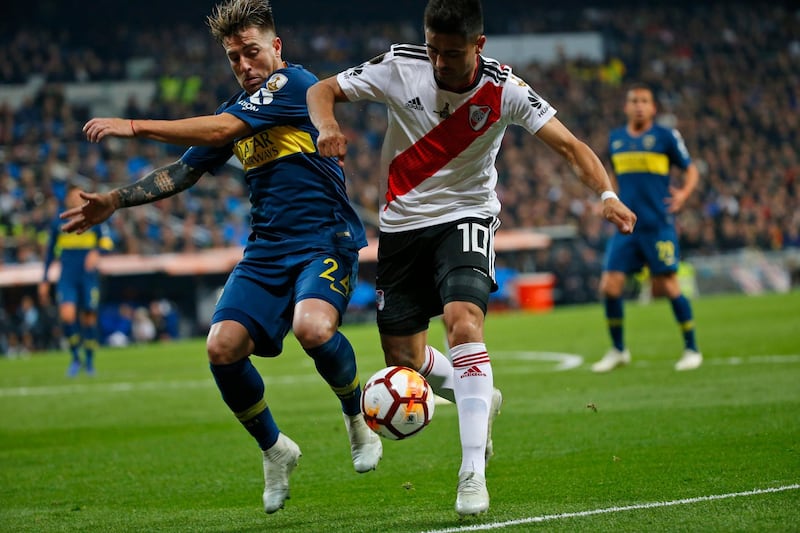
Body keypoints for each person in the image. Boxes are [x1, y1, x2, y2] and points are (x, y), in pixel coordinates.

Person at [306, 0, 636, 516]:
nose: (439, 63)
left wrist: (607, 195)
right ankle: (476, 394)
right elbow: (320, 89)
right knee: (405, 363)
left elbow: (570, 146)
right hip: (400, 228)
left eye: (452, 54)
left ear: (478, 47)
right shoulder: (401, 65)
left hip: (467, 218)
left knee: (464, 325)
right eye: (434, 50)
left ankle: (472, 472)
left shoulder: (505, 90)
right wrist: (326, 125)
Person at [60, 0, 381, 515]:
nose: (244, 65)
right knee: (222, 348)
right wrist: (116, 199)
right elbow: (183, 173)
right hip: (267, 251)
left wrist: (136, 126)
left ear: (276, 47)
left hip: (324, 238)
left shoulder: (295, 85)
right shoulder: (236, 108)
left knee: (313, 329)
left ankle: (356, 417)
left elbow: (219, 132)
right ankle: (277, 450)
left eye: (251, 52)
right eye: (234, 57)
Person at [591, 83, 702, 373]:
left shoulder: (665, 137)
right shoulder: (616, 139)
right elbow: (612, 175)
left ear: (653, 108)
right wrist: (610, 198)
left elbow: (690, 168)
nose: (639, 105)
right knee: (610, 286)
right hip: (627, 228)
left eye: (644, 101)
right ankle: (618, 350)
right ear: (626, 107)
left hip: (657, 225)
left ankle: (691, 348)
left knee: (667, 285)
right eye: (633, 101)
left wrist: (684, 194)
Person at [40, 186, 114, 376]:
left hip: (88, 276)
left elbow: (108, 241)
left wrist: (97, 252)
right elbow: (50, 252)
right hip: (67, 277)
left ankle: (89, 361)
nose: (75, 199)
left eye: (79, 196)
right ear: (66, 200)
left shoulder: (94, 219)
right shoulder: (59, 222)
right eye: (72, 196)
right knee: (67, 316)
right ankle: (75, 358)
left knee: (89, 318)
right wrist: (45, 279)